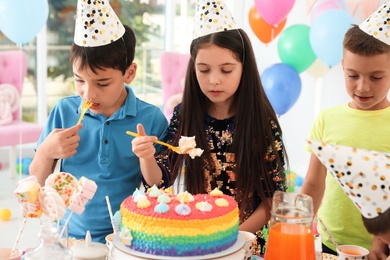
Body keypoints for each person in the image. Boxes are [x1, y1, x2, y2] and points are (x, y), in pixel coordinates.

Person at [131, 0, 288, 255]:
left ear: (244, 69)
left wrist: (233, 238)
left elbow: (274, 197)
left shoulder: (262, 123)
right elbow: (158, 181)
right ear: (193, 69)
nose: (214, 80)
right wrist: (146, 157)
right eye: (203, 70)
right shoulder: (186, 114)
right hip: (201, 242)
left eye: (226, 70)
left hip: (250, 244)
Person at [29, 0, 167, 243]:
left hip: (126, 237)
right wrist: (45, 153)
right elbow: (37, 183)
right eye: (79, 80)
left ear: (129, 73)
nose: (88, 94)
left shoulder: (150, 118)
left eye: (102, 83)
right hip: (67, 235)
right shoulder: (64, 111)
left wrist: (146, 157)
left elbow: (158, 188)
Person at [301, 3, 390, 258]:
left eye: (376, 77)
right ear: (342, 66)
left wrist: (380, 244)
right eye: (353, 75)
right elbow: (313, 183)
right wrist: (299, 224)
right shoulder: (326, 120)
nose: (362, 87)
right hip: (331, 240)